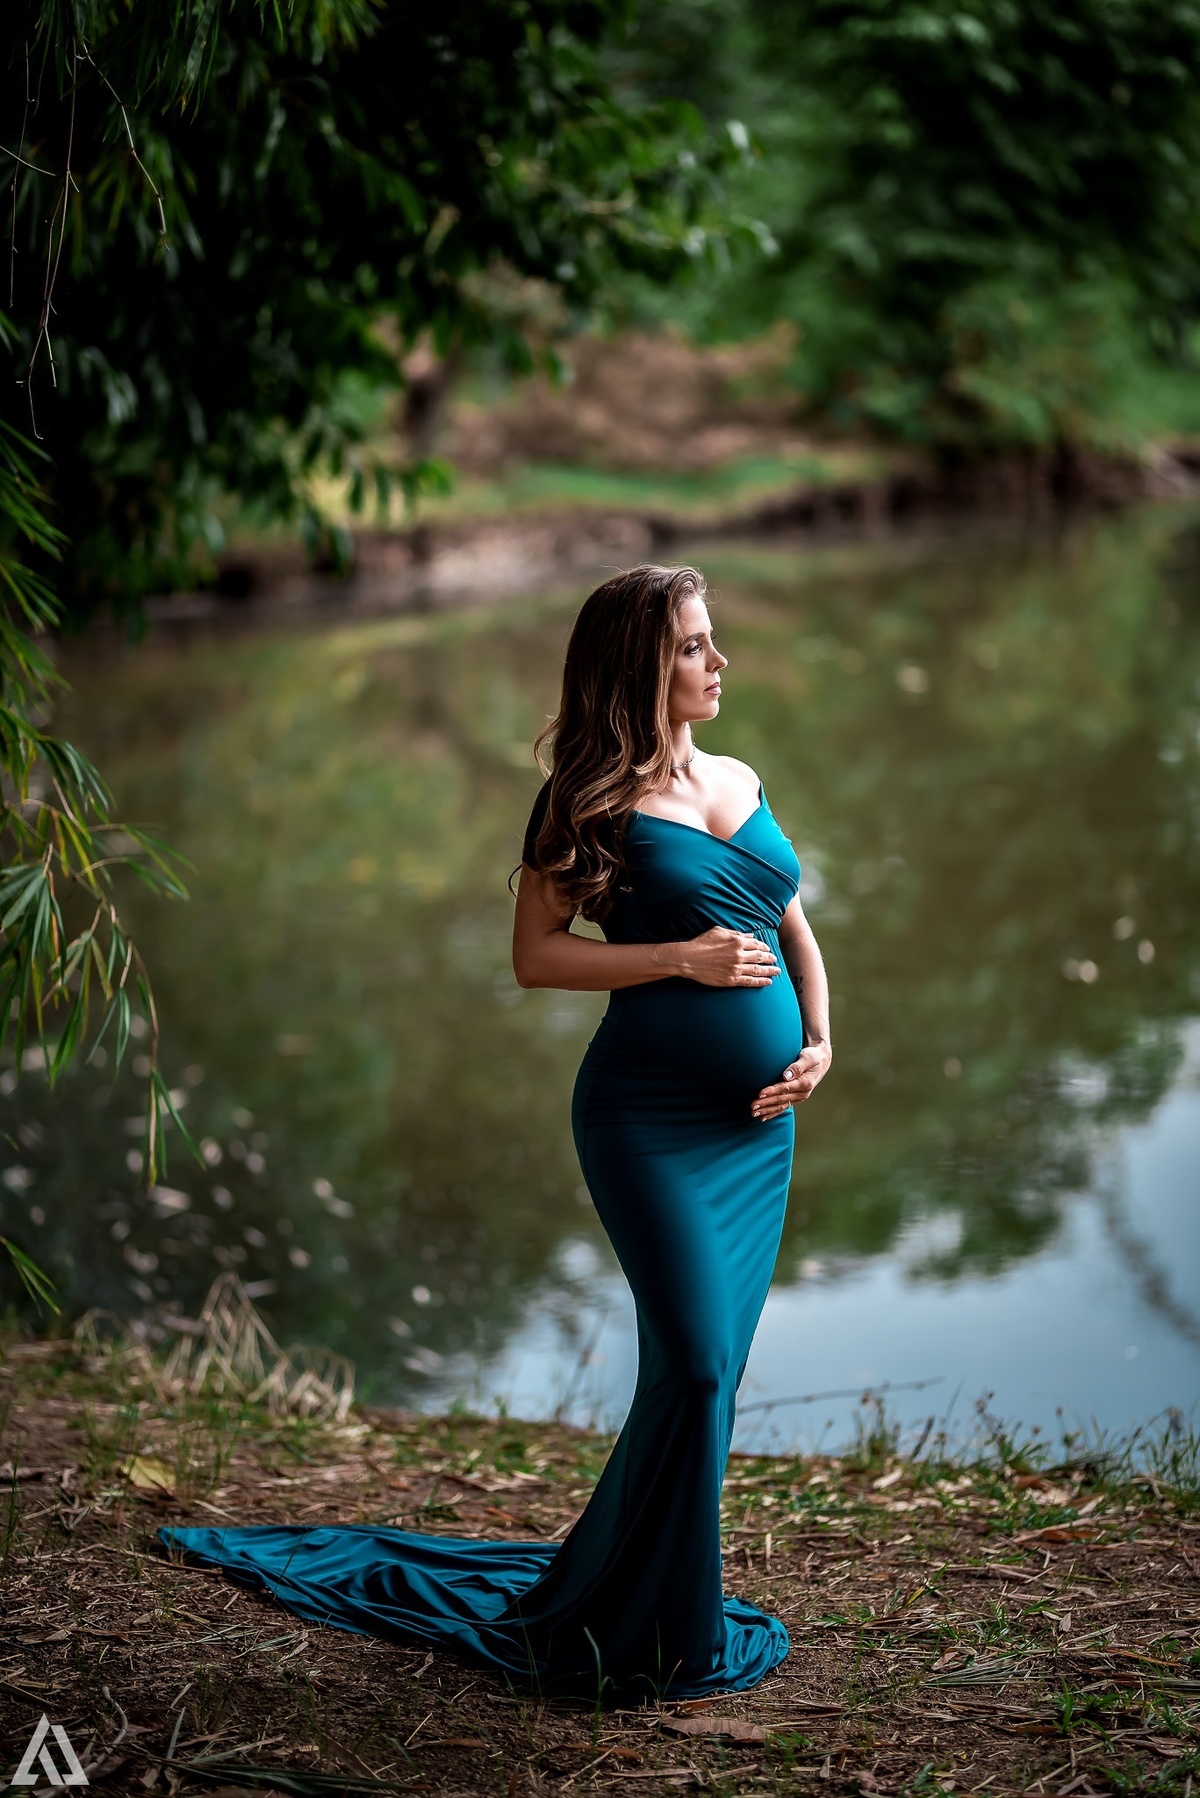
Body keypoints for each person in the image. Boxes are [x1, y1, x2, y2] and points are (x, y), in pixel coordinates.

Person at [156, 562, 832, 1703]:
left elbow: (796, 930)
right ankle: (640, 1619)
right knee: (700, 1359)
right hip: (649, 1121)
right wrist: (679, 956)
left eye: (713, 643)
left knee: (707, 1374)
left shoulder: (742, 776)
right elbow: (537, 956)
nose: (718, 663)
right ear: (638, 665)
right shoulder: (585, 802)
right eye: (692, 647)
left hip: (755, 1131)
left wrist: (818, 1042)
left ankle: (659, 1601)